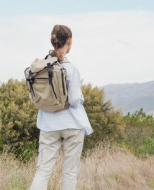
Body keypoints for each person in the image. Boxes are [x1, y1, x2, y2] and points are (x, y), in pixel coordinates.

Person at [30, 24, 93, 190]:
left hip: (48, 124)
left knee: (42, 171)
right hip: (73, 125)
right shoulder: (71, 68)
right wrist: (81, 97)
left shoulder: (41, 66)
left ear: (53, 41)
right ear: (69, 41)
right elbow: (73, 100)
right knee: (69, 173)